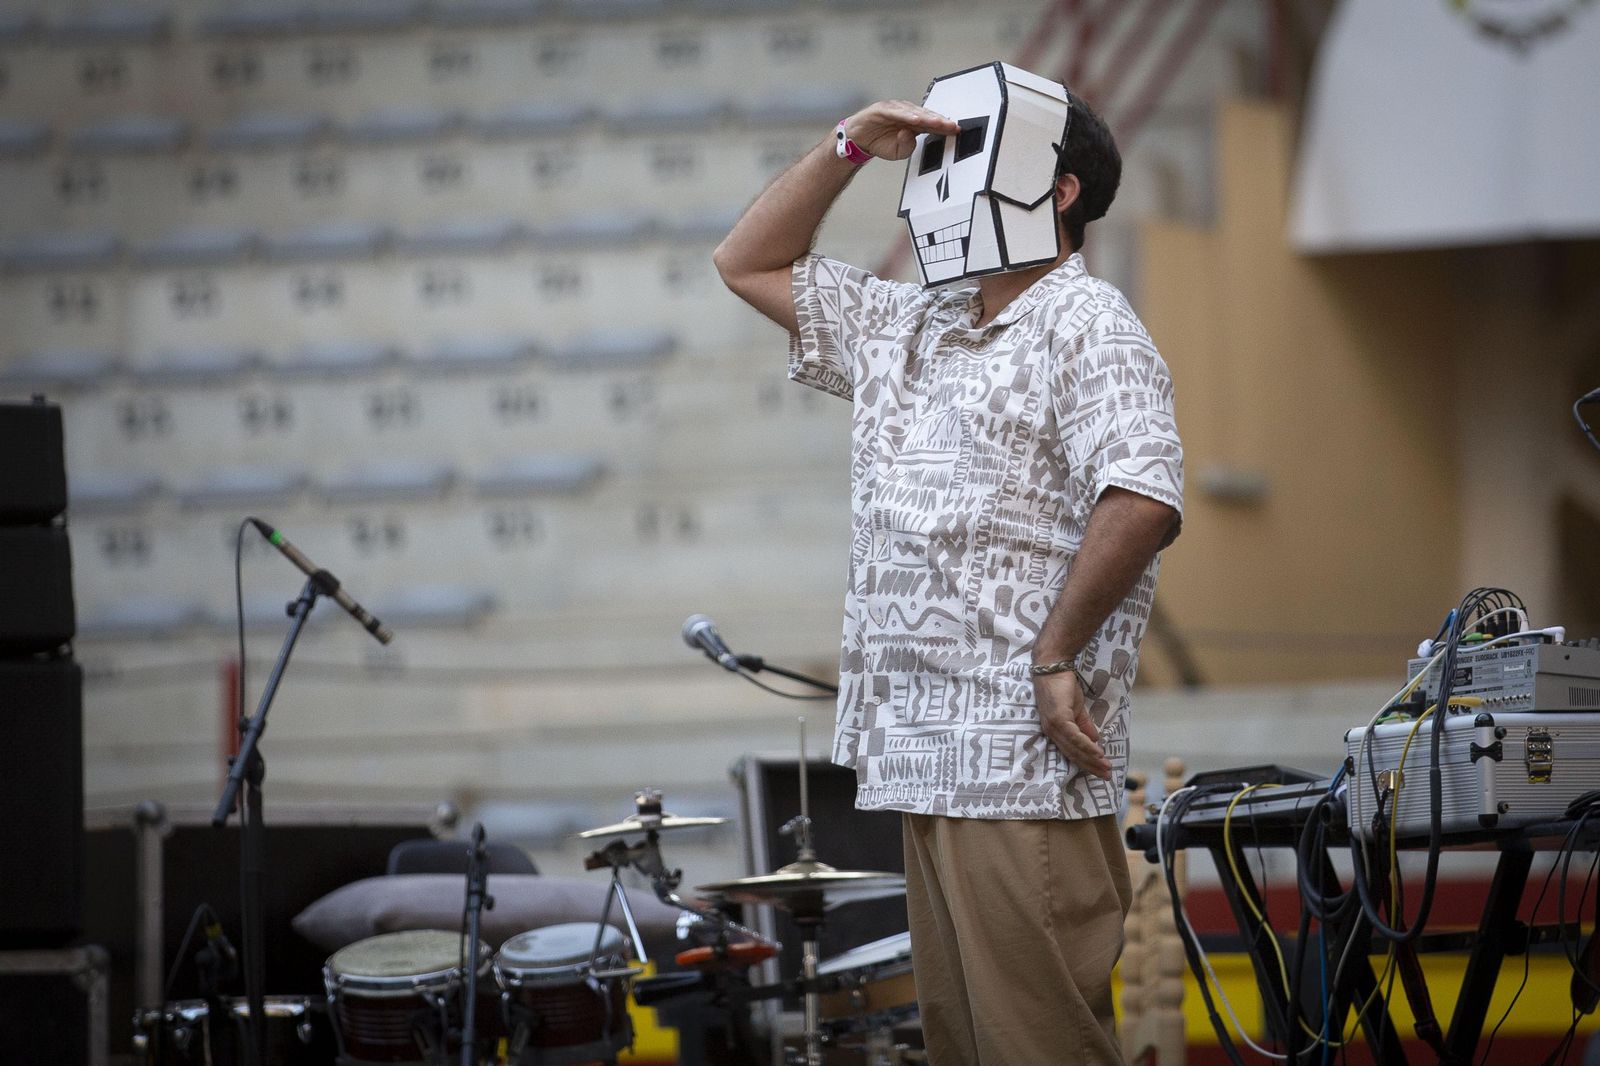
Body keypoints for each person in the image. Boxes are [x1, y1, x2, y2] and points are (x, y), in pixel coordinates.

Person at [713, 75, 1184, 1065]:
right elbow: (745, 259)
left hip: (1017, 763)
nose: (944, 190)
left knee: (1038, 1048)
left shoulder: (1089, 324)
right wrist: (850, 144)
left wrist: (1053, 656)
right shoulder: (908, 321)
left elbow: (1140, 498)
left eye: (969, 165)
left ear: (1058, 192)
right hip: (920, 757)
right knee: (963, 1048)